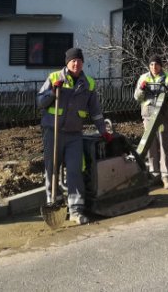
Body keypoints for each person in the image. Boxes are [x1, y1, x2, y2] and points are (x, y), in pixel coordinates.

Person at [37, 47, 113, 225]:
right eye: (73, 61)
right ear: (67, 62)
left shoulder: (88, 84)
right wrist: (52, 92)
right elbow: (39, 102)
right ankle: (53, 203)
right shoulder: (55, 78)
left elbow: (95, 111)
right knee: (52, 169)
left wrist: (103, 131)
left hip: (74, 134)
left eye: (79, 61)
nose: (76, 64)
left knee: (75, 171)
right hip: (53, 131)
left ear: (82, 63)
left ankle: (75, 210)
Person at [134, 54, 168, 189]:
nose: (154, 67)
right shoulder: (143, 78)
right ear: (149, 66)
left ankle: (166, 175)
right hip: (148, 116)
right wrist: (141, 88)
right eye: (152, 64)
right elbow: (137, 97)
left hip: (163, 117)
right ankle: (154, 173)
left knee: (164, 144)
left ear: (161, 65)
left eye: (157, 64)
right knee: (150, 145)